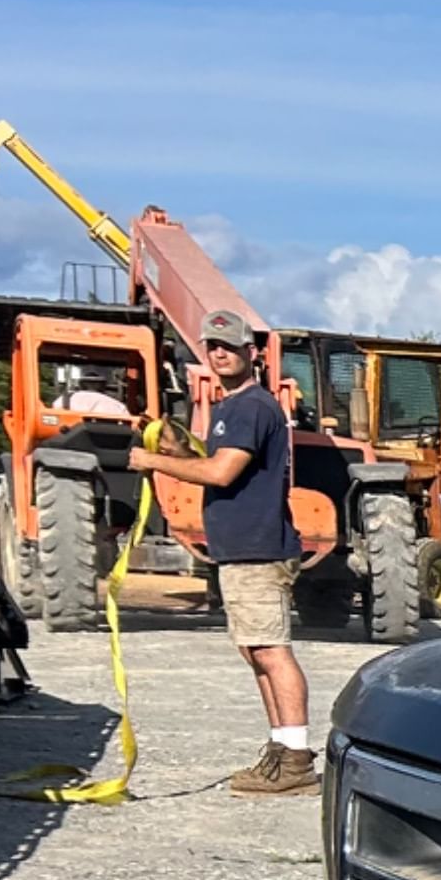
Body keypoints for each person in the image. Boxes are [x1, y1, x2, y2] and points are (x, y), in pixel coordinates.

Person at [127, 329, 317, 796]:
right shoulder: (229, 407)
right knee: (255, 650)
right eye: (211, 346)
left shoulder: (251, 406)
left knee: (271, 651)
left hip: (259, 548)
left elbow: (221, 472)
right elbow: (216, 463)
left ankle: (295, 761)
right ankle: (281, 751)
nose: (218, 354)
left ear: (251, 354)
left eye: (229, 347)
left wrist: (151, 460)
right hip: (241, 548)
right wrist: (175, 447)